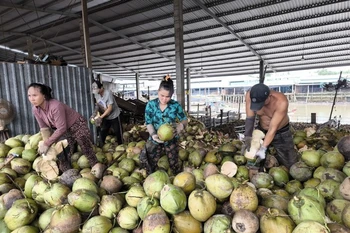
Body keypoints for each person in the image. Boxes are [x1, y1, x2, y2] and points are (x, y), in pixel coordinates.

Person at [27, 83, 99, 172]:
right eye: (29, 95)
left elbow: (61, 128)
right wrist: (47, 144)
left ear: (44, 95)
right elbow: (44, 127)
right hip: (64, 130)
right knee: (63, 153)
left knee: (86, 148)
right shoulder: (35, 109)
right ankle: (67, 174)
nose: (31, 98)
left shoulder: (56, 106)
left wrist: (46, 144)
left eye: (35, 95)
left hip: (77, 126)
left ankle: (98, 171)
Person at [243, 83, 298, 173]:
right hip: (261, 130)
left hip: (280, 132)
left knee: (290, 163)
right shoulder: (250, 95)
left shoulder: (281, 101)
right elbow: (250, 118)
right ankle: (256, 179)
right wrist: (248, 136)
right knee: (253, 159)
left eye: (262, 103)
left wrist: (263, 148)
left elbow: (273, 129)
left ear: (270, 96)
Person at [139, 75, 188, 175]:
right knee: (150, 163)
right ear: (158, 91)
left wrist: (180, 126)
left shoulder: (175, 105)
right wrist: (153, 134)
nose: (164, 99)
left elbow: (184, 119)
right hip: (154, 139)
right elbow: (148, 122)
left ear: (172, 95)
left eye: (168, 97)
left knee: (174, 164)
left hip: (171, 139)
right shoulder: (151, 105)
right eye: (162, 95)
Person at [91, 80, 123, 146]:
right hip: (106, 116)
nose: (97, 92)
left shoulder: (108, 93)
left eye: (97, 90)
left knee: (118, 131)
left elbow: (110, 108)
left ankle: (121, 145)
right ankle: (101, 147)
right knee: (103, 131)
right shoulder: (97, 95)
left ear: (101, 88)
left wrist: (100, 117)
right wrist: (94, 114)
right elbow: (98, 105)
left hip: (114, 115)